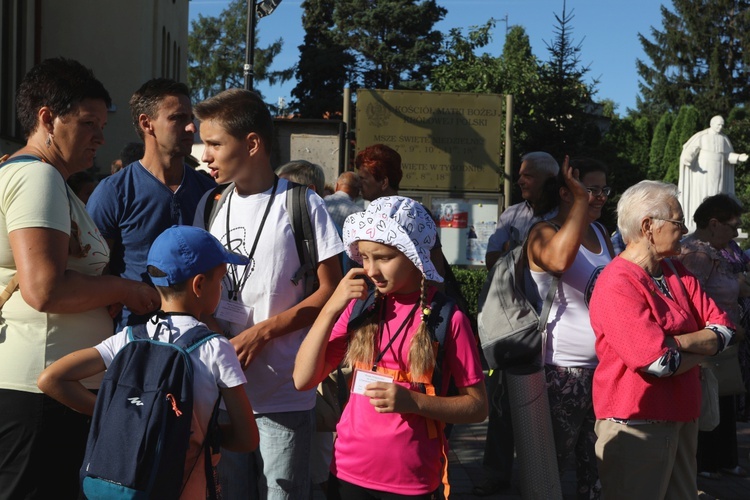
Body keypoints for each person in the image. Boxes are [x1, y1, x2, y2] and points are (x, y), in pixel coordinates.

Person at [0, 57, 159, 500]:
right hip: (41, 389)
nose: (100, 137)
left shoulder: (34, 176)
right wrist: (126, 289)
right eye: (88, 123)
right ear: (47, 118)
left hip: (42, 384)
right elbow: (44, 289)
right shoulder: (38, 178)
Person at [193, 88, 344, 499]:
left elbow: (331, 291)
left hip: (282, 394)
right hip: (224, 393)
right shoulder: (212, 204)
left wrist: (262, 333)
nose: (204, 155)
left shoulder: (301, 203)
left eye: (214, 144)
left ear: (253, 143)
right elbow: (201, 291)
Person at [37, 225, 259, 498]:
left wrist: (117, 416)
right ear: (199, 284)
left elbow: (50, 379)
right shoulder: (216, 348)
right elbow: (247, 438)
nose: (222, 289)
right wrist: (182, 432)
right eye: (221, 281)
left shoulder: (127, 338)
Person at [293, 195, 488, 498]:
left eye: (384, 258)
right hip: (346, 472)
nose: (371, 270)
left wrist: (413, 402)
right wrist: (331, 307)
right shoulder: (361, 307)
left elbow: (477, 407)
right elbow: (303, 378)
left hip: (412, 480)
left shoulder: (448, 318)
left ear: (415, 256)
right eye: (366, 257)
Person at [589, 180, 735, 500]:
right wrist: (700, 345)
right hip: (636, 424)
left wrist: (677, 343)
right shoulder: (617, 282)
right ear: (648, 226)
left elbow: (725, 331)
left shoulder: (674, 270)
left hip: (683, 415)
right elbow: (659, 363)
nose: (684, 229)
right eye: (677, 221)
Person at [87, 78, 216, 329]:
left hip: (199, 340)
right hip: (133, 340)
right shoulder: (114, 192)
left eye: (191, 117)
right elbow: (92, 271)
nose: (191, 127)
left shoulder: (208, 191)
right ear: (147, 123)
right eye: (178, 118)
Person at [526, 157, 614, 499]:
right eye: (591, 189)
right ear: (567, 192)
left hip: (604, 367)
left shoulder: (601, 232)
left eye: (603, 189)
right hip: (561, 370)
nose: (601, 196)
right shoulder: (544, 232)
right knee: (551, 468)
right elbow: (560, 262)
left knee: (597, 468)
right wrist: (581, 202)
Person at [473, 151, 560, 496]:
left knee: (550, 408)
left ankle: (538, 475)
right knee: (502, 402)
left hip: (554, 325)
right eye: (520, 175)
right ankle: (496, 473)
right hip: (516, 324)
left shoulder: (564, 217)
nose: (521, 181)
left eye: (529, 176)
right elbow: (493, 259)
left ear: (549, 180)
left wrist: (520, 250)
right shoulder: (512, 214)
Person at [676, 194, 749, 479]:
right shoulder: (698, 254)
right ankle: (706, 463)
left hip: (724, 341)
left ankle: (721, 461)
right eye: (733, 226)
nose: (736, 232)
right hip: (710, 341)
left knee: (723, 399)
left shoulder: (713, 251)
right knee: (710, 400)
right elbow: (693, 299)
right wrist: (725, 325)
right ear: (714, 224)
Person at [679, 115, 748, 232]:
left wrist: (739, 157)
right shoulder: (702, 136)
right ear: (712, 124)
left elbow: (727, 156)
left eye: (722, 125)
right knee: (703, 195)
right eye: (718, 124)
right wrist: (688, 158)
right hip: (703, 172)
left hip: (719, 172)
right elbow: (692, 150)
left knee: (718, 195)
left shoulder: (724, 139)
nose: (720, 127)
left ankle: (719, 220)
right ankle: (703, 221)